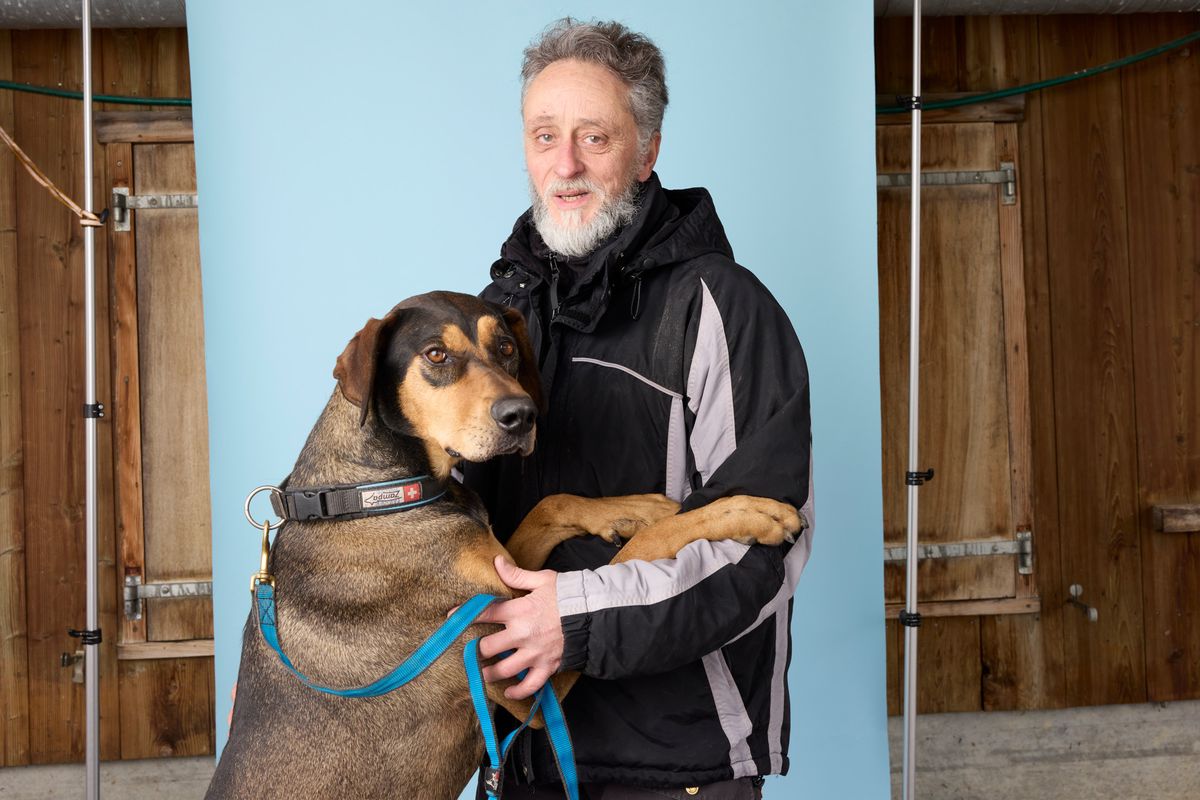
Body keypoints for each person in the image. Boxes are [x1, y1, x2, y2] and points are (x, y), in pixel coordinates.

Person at [461, 18, 814, 800]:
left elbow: (763, 557)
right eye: (544, 135)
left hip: (674, 770)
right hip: (523, 761)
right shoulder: (495, 322)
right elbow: (447, 528)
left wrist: (574, 616)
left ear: (648, 149)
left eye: (595, 138)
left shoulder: (722, 307)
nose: (565, 165)